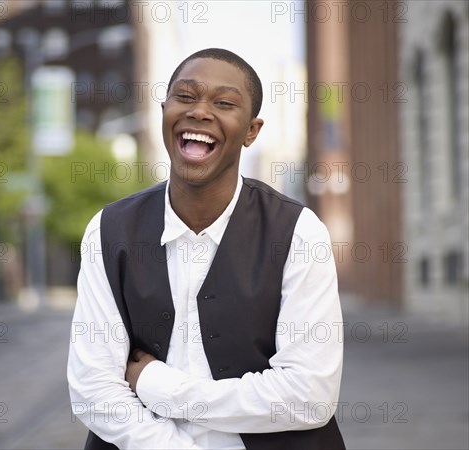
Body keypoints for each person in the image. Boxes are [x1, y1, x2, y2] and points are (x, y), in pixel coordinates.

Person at [67, 48, 345, 449]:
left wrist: (161, 386)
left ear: (252, 130)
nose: (199, 111)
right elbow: (93, 389)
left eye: (224, 103)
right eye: (185, 96)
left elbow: (309, 395)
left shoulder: (299, 233)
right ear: (164, 110)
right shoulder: (108, 230)